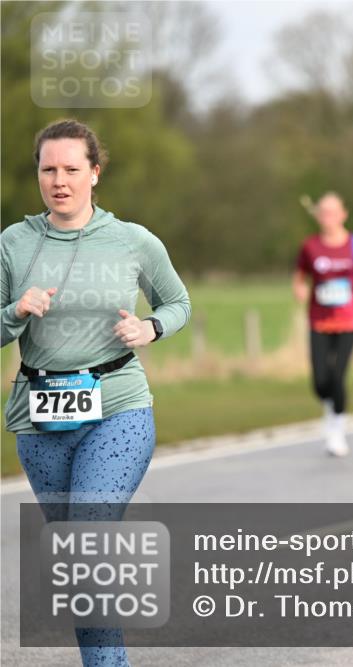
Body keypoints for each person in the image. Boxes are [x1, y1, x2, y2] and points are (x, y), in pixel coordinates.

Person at [1, 119, 191, 666]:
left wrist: (150, 328)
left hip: (118, 405)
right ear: (37, 173)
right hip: (39, 419)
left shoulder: (132, 240)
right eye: (48, 169)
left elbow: (178, 303)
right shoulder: (14, 243)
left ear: (94, 174)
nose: (59, 180)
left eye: (71, 169)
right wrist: (15, 312)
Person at [293, 192, 353, 456]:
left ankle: (337, 427)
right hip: (319, 320)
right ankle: (330, 406)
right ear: (318, 216)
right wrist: (300, 290)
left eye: (333, 212)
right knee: (320, 380)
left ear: (343, 214)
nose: (328, 217)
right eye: (323, 212)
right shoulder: (310, 246)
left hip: (349, 320)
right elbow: (299, 278)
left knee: (338, 374)